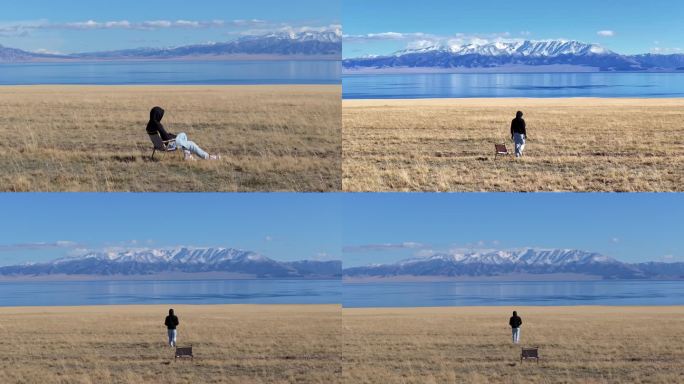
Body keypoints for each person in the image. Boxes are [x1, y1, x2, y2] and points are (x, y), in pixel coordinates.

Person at [146, 106, 220, 161]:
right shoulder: (158, 125)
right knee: (191, 143)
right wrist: (174, 137)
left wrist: (172, 136)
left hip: (159, 146)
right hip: (168, 145)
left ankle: (187, 155)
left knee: (183, 135)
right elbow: (166, 138)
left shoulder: (149, 125)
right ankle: (208, 157)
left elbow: (162, 136)